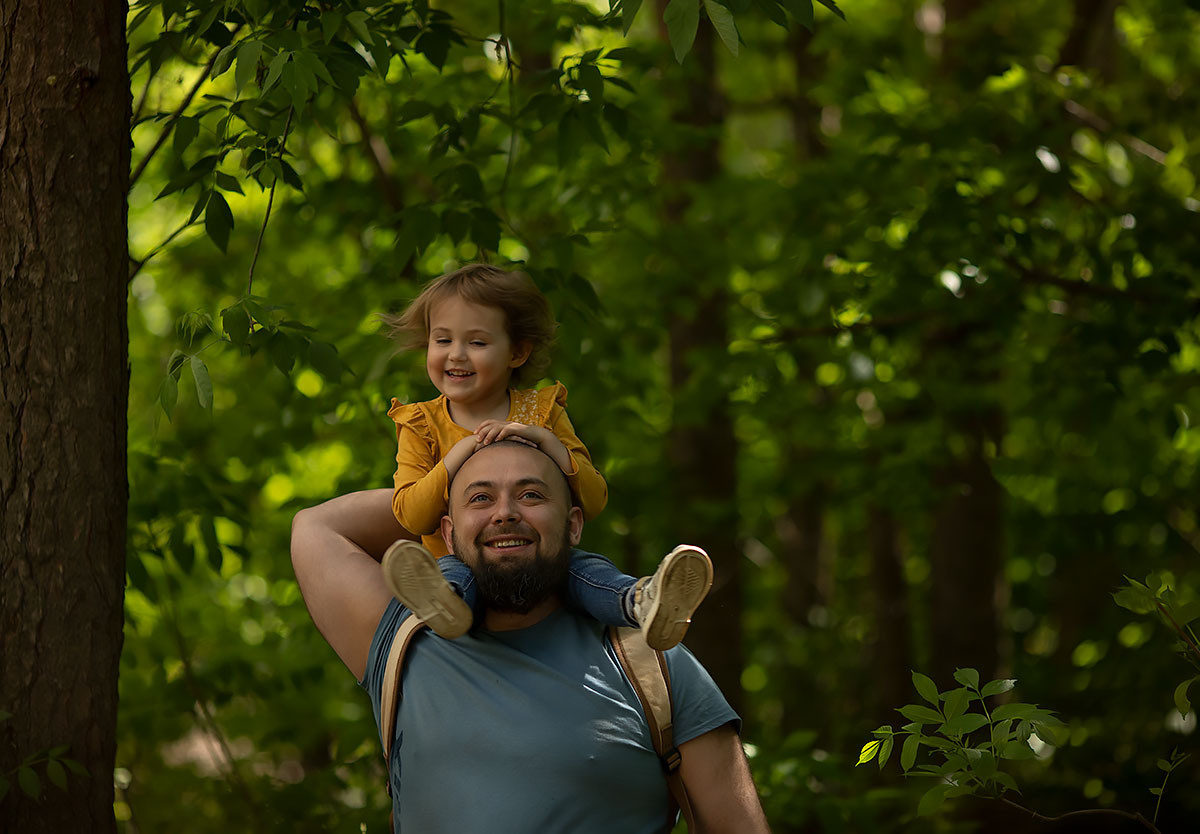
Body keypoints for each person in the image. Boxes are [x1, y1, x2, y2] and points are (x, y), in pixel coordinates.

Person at [291, 440, 772, 833]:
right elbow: (314, 526)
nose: (504, 513)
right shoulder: (405, 637)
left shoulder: (652, 660)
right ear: (448, 534)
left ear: (574, 524)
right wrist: (443, 474)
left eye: (531, 495)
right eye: (481, 498)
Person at [377, 263, 711, 649]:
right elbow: (411, 515)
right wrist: (460, 454)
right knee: (450, 574)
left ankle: (642, 602)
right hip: (467, 565)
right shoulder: (421, 424)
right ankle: (441, 605)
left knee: (585, 569)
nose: (457, 355)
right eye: (442, 340)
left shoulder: (543, 412)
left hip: (539, 565)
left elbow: (595, 499)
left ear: (517, 352)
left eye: (477, 342)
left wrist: (548, 442)